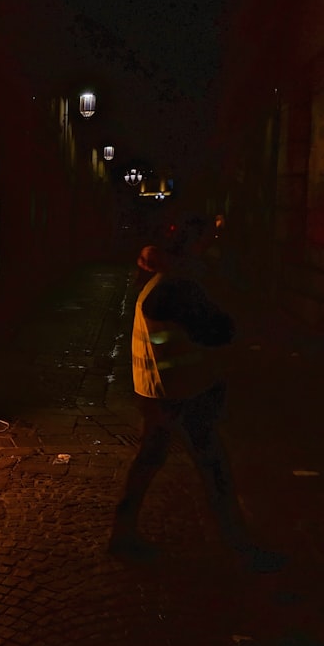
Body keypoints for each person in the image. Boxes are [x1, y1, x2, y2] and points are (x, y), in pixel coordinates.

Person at [109, 244, 286, 573]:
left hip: (157, 391)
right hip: (183, 393)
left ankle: (123, 533)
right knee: (214, 468)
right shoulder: (175, 289)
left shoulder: (156, 286)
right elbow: (220, 330)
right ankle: (241, 549)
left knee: (149, 461)